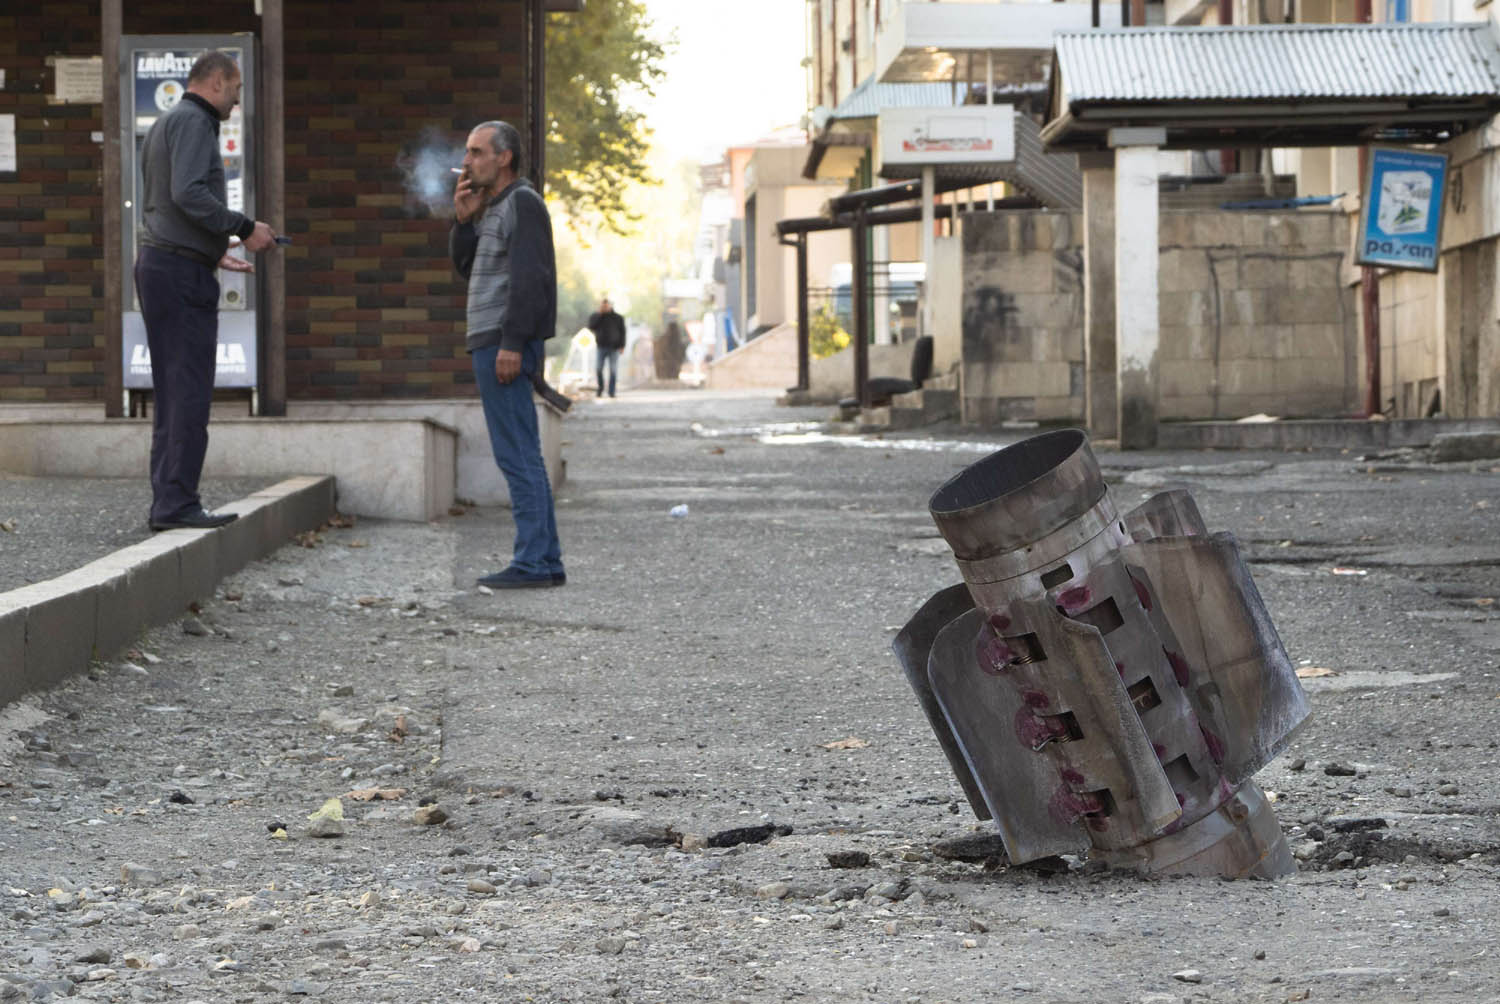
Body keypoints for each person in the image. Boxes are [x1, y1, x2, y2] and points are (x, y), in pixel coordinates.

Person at [135, 50, 277, 530]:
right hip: (178, 273)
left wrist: (211, 248)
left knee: (174, 389)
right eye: (236, 91)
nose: (237, 104)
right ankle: (176, 504)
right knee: (189, 389)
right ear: (217, 83)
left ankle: (169, 501)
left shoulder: (163, 123)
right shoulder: (195, 122)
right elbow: (190, 193)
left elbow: (164, 201)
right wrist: (243, 227)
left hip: (165, 263)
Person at [450, 120, 565, 589]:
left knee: (518, 454)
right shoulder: (493, 207)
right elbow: (467, 268)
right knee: (519, 452)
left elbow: (530, 279)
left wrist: (513, 344)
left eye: (478, 152)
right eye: (467, 151)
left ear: (505, 158)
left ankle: (534, 563)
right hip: (492, 342)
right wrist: (462, 222)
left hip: (503, 345)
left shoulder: (523, 202)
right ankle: (545, 560)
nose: (467, 161)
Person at [586, 297, 626, 398]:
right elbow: (591, 326)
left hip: (614, 347)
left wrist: (622, 345)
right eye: (603, 306)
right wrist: (600, 315)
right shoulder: (596, 316)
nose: (605, 307)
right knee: (598, 369)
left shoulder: (618, 318)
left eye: (606, 305)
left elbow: (623, 332)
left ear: (610, 305)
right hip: (601, 347)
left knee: (613, 370)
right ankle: (600, 388)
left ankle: (611, 391)